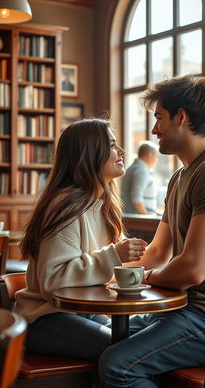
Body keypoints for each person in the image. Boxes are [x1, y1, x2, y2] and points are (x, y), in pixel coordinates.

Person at [99, 75, 205, 388]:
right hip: (184, 310)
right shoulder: (181, 177)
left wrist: (149, 278)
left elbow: (194, 269)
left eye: (159, 118)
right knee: (99, 335)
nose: (154, 129)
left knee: (117, 366)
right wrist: (108, 276)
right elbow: (158, 252)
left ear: (181, 117)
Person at [13, 118, 147, 361]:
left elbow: (111, 268)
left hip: (83, 312)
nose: (122, 151)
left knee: (147, 335)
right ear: (89, 153)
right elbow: (53, 281)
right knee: (128, 353)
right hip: (45, 317)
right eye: (112, 145)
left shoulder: (104, 205)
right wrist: (114, 255)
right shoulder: (66, 205)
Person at [121, 141, 159, 214]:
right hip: (138, 218)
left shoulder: (131, 168)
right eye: (156, 156)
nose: (156, 160)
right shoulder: (142, 170)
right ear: (149, 155)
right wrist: (146, 215)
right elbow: (136, 198)